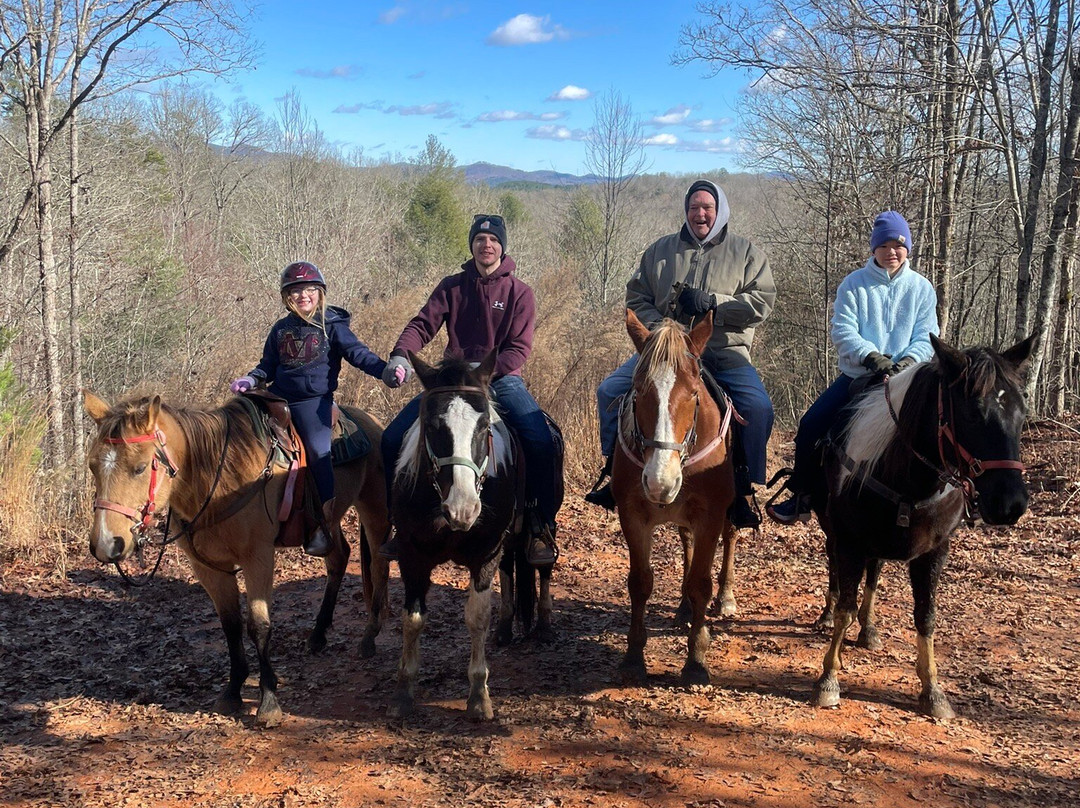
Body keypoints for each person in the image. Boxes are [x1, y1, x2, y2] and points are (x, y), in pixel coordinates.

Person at [585, 179, 776, 528]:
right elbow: (636, 297)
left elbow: (761, 304)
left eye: (707, 208)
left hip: (723, 350)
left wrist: (714, 304)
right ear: (686, 211)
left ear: (719, 212)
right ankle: (614, 474)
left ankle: (745, 486)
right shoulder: (660, 251)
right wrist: (662, 329)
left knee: (758, 406)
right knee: (610, 391)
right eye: (694, 207)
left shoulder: (747, 254)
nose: (700, 214)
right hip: (664, 354)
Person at [378, 214, 560, 566]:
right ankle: (398, 522)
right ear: (472, 245)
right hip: (450, 383)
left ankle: (540, 525)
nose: (486, 245)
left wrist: (484, 373)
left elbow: (518, 349)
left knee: (540, 439)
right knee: (390, 439)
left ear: (502, 247)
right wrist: (400, 355)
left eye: (493, 240)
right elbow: (422, 325)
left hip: (501, 380)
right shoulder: (452, 287)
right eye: (479, 239)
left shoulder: (520, 293)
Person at [766, 211, 939, 524]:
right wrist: (871, 357)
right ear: (873, 248)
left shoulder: (921, 288)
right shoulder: (854, 284)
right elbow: (843, 330)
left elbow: (928, 336)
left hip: (907, 380)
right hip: (860, 376)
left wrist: (909, 362)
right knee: (810, 425)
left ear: (908, 249)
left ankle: (958, 495)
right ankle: (802, 494)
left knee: (944, 427)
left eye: (898, 245)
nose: (892, 252)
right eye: (884, 245)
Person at [230, 261, 404, 556]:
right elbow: (268, 365)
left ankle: (323, 526)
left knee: (319, 452)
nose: (303, 295)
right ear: (287, 297)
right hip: (277, 398)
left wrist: (385, 371)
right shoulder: (281, 329)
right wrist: (252, 378)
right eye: (296, 291)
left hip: (313, 403)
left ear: (320, 292)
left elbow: (358, 354)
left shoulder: (332, 325)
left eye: (310, 289)